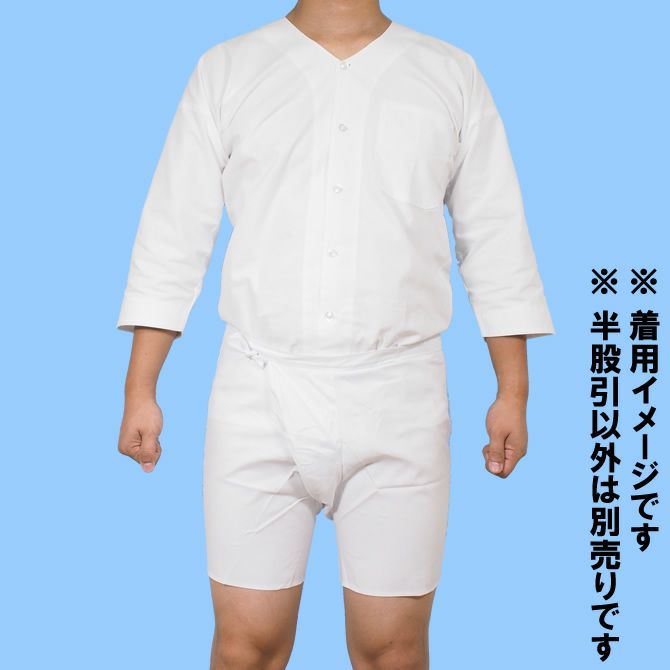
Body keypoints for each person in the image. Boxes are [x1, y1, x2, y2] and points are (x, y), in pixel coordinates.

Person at [116, 0, 555, 667]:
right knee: (245, 648)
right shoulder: (228, 68)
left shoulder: (449, 72)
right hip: (259, 392)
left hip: (400, 394)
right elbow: (174, 232)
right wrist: (140, 388)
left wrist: (512, 390)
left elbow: (494, 235)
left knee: (393, 651)